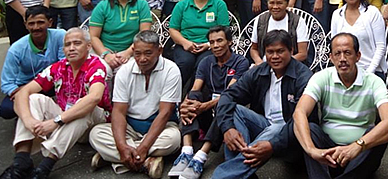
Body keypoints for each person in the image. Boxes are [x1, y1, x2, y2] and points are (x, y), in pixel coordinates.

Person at [0, 28, 111, 179]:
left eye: (77, 43)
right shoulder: (59, 67)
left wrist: (56, 121)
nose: (71, 48)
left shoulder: (97, 65)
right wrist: (29, 120)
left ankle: (44, 167)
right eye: (67, 44)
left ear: (88, 46)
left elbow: (94, 98)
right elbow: (22, 93)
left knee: (84, 106)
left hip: (95, 122)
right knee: (33, 98)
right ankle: (21, 162)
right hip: (67, 116)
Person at [293, 33, 388, 179]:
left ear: (358, 56)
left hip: (359, 153)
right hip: (327, 150)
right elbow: (299, 112)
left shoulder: (374, 82)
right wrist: (311, 150)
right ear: (331, 57)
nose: (342, 59)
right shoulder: (321, 77)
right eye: (337, 54)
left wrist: (357, 145)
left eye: (347, 53)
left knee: (379, 131)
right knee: (309, 128)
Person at [211, 30, 315, 179]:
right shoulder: (260, 71)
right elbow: (229, 95)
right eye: (270, 52)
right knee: (234, 110)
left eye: (280, 51)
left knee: (277, 128)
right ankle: (240, 172)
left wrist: (273, 144)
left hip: (291, 136)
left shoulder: (303, 77)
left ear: (291, 51)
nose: (275, 56)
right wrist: (228, 128)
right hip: (263, 126)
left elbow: (305, 121)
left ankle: (223, 176)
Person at [89, 30, 182, 177]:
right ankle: (143, 161)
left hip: (160, 127)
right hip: (130, 127)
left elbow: (165, 113)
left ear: (159, 51)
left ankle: (114, 157)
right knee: (96, 134)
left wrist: (144, 147)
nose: (142, 59)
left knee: (174, 139)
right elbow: (118, 112)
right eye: (137, 54)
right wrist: (121, 146)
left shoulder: (171, 70)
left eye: (148, 53)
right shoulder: (124, 71)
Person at [169, 26, 249, 178]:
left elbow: (230, 94)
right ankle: (186, 151)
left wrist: (204, 106)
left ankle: (201, 156)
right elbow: (195, 88)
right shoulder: (206, 62)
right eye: (212, 42)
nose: (215, 46)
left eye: (220, 41)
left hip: (228, 115)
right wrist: (187, 104)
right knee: (193, 96)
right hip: (207, 113)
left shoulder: (240, 62)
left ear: (230, 42)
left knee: (225, 104)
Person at [0, 6, 65, 120]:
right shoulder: (16, 49)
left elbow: (65, 64)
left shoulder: (60, 36)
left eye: (40, 22)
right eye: (31, 23)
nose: (36, 27)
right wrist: (23, 92)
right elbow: (6, 83)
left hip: (53, 81)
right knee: (6, 110)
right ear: (25, 25)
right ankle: (27, 115)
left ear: (50, 22)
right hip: (25, 86)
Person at [170, 0, 230, 87]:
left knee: (203, 64)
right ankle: (174, 95)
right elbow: (173, 29)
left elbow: (224, 30)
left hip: (211, 46)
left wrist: (209, 44)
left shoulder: (219, 4)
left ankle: (192, 97)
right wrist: (185, 43)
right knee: (185, 63)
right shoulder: (182, 5)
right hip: (185, 44)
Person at [89, 0, 152, 72]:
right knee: (102, 72)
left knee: (126, 72)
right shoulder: (103, 6)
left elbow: (143, 35)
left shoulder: (141, 4)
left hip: (133, 51)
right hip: (104, 51)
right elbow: (93, 37)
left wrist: (127, 53)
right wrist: (106, 55)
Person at [331, 0, 387, 74]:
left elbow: (381, 46)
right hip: (345, 71)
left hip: (371, 71)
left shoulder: (372, 12)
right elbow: (335, 47)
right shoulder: (337, 15)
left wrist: (369, 73)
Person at [250, 0, 309, 65]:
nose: (275, 7)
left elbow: (302, 54)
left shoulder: (297, 21)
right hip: (264, 66)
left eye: (279, 3)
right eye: (271, 3)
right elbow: (254, 48)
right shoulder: (260, 20)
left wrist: (281, 63)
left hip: (290, 65)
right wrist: (259, 62)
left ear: (287, 3)